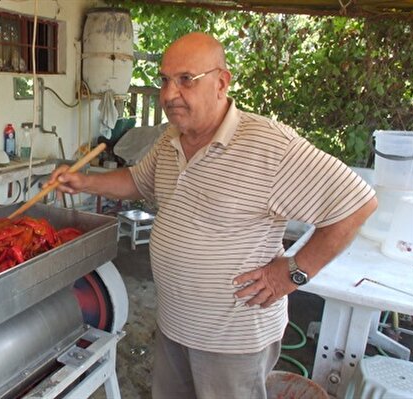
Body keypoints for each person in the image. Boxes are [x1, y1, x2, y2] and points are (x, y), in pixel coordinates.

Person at [47, 32, 377, 398]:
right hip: (175, 324)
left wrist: (293, 273)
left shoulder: (269, 145)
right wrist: (83, 182)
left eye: (186, 79)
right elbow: (138, 182)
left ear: (222, 82)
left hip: (232, 341)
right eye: (165, 80)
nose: (170, 94)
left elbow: (357, 204)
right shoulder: (171, 139)